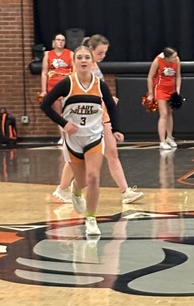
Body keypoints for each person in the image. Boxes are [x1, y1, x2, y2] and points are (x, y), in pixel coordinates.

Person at [40, 42, 122, 238]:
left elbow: (111, 106)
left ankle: (91, 219)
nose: (83, 60)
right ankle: (76, 192)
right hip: (74, 139)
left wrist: (117, 129)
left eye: (87, 57)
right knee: (82, 181)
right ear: (73, 61)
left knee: (94, 178)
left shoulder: (99, 84)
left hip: (94, 136)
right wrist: (63, 123)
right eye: (79, 57)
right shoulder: (67, 83)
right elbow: (45, 105)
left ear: (92, 61)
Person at [52, 34, 143, 205]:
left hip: (102, 116)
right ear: (91, 51)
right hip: (87, 118)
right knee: (76, 159)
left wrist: (109, 101)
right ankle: (63, 188)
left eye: (104, 53)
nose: (103, 56)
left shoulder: (96, 68)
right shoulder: (82, 68)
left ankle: (125, 191)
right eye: (100, 53)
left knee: (112, 153)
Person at [146, 47, 181, 151]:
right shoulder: (158, 61)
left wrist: (177, 91)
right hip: (160, 89)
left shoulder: (177, 60)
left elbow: (178, 76)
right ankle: (162, 141)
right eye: (173, 57)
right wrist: (151, 93)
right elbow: (150, 76)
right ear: (166, 58)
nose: (175, 58)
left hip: (171, 89)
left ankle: (169, 137)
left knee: (170, 113)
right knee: (164, 114)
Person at [40, 33, 73, 98]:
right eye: (58, 40)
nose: (61, 42)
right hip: (53, 85)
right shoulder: (48, 55)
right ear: (54, 42)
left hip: (67, 84)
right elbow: (44, 73)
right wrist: (43, 91)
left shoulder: (71, 54)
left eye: (63, 40)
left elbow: (75, 72)